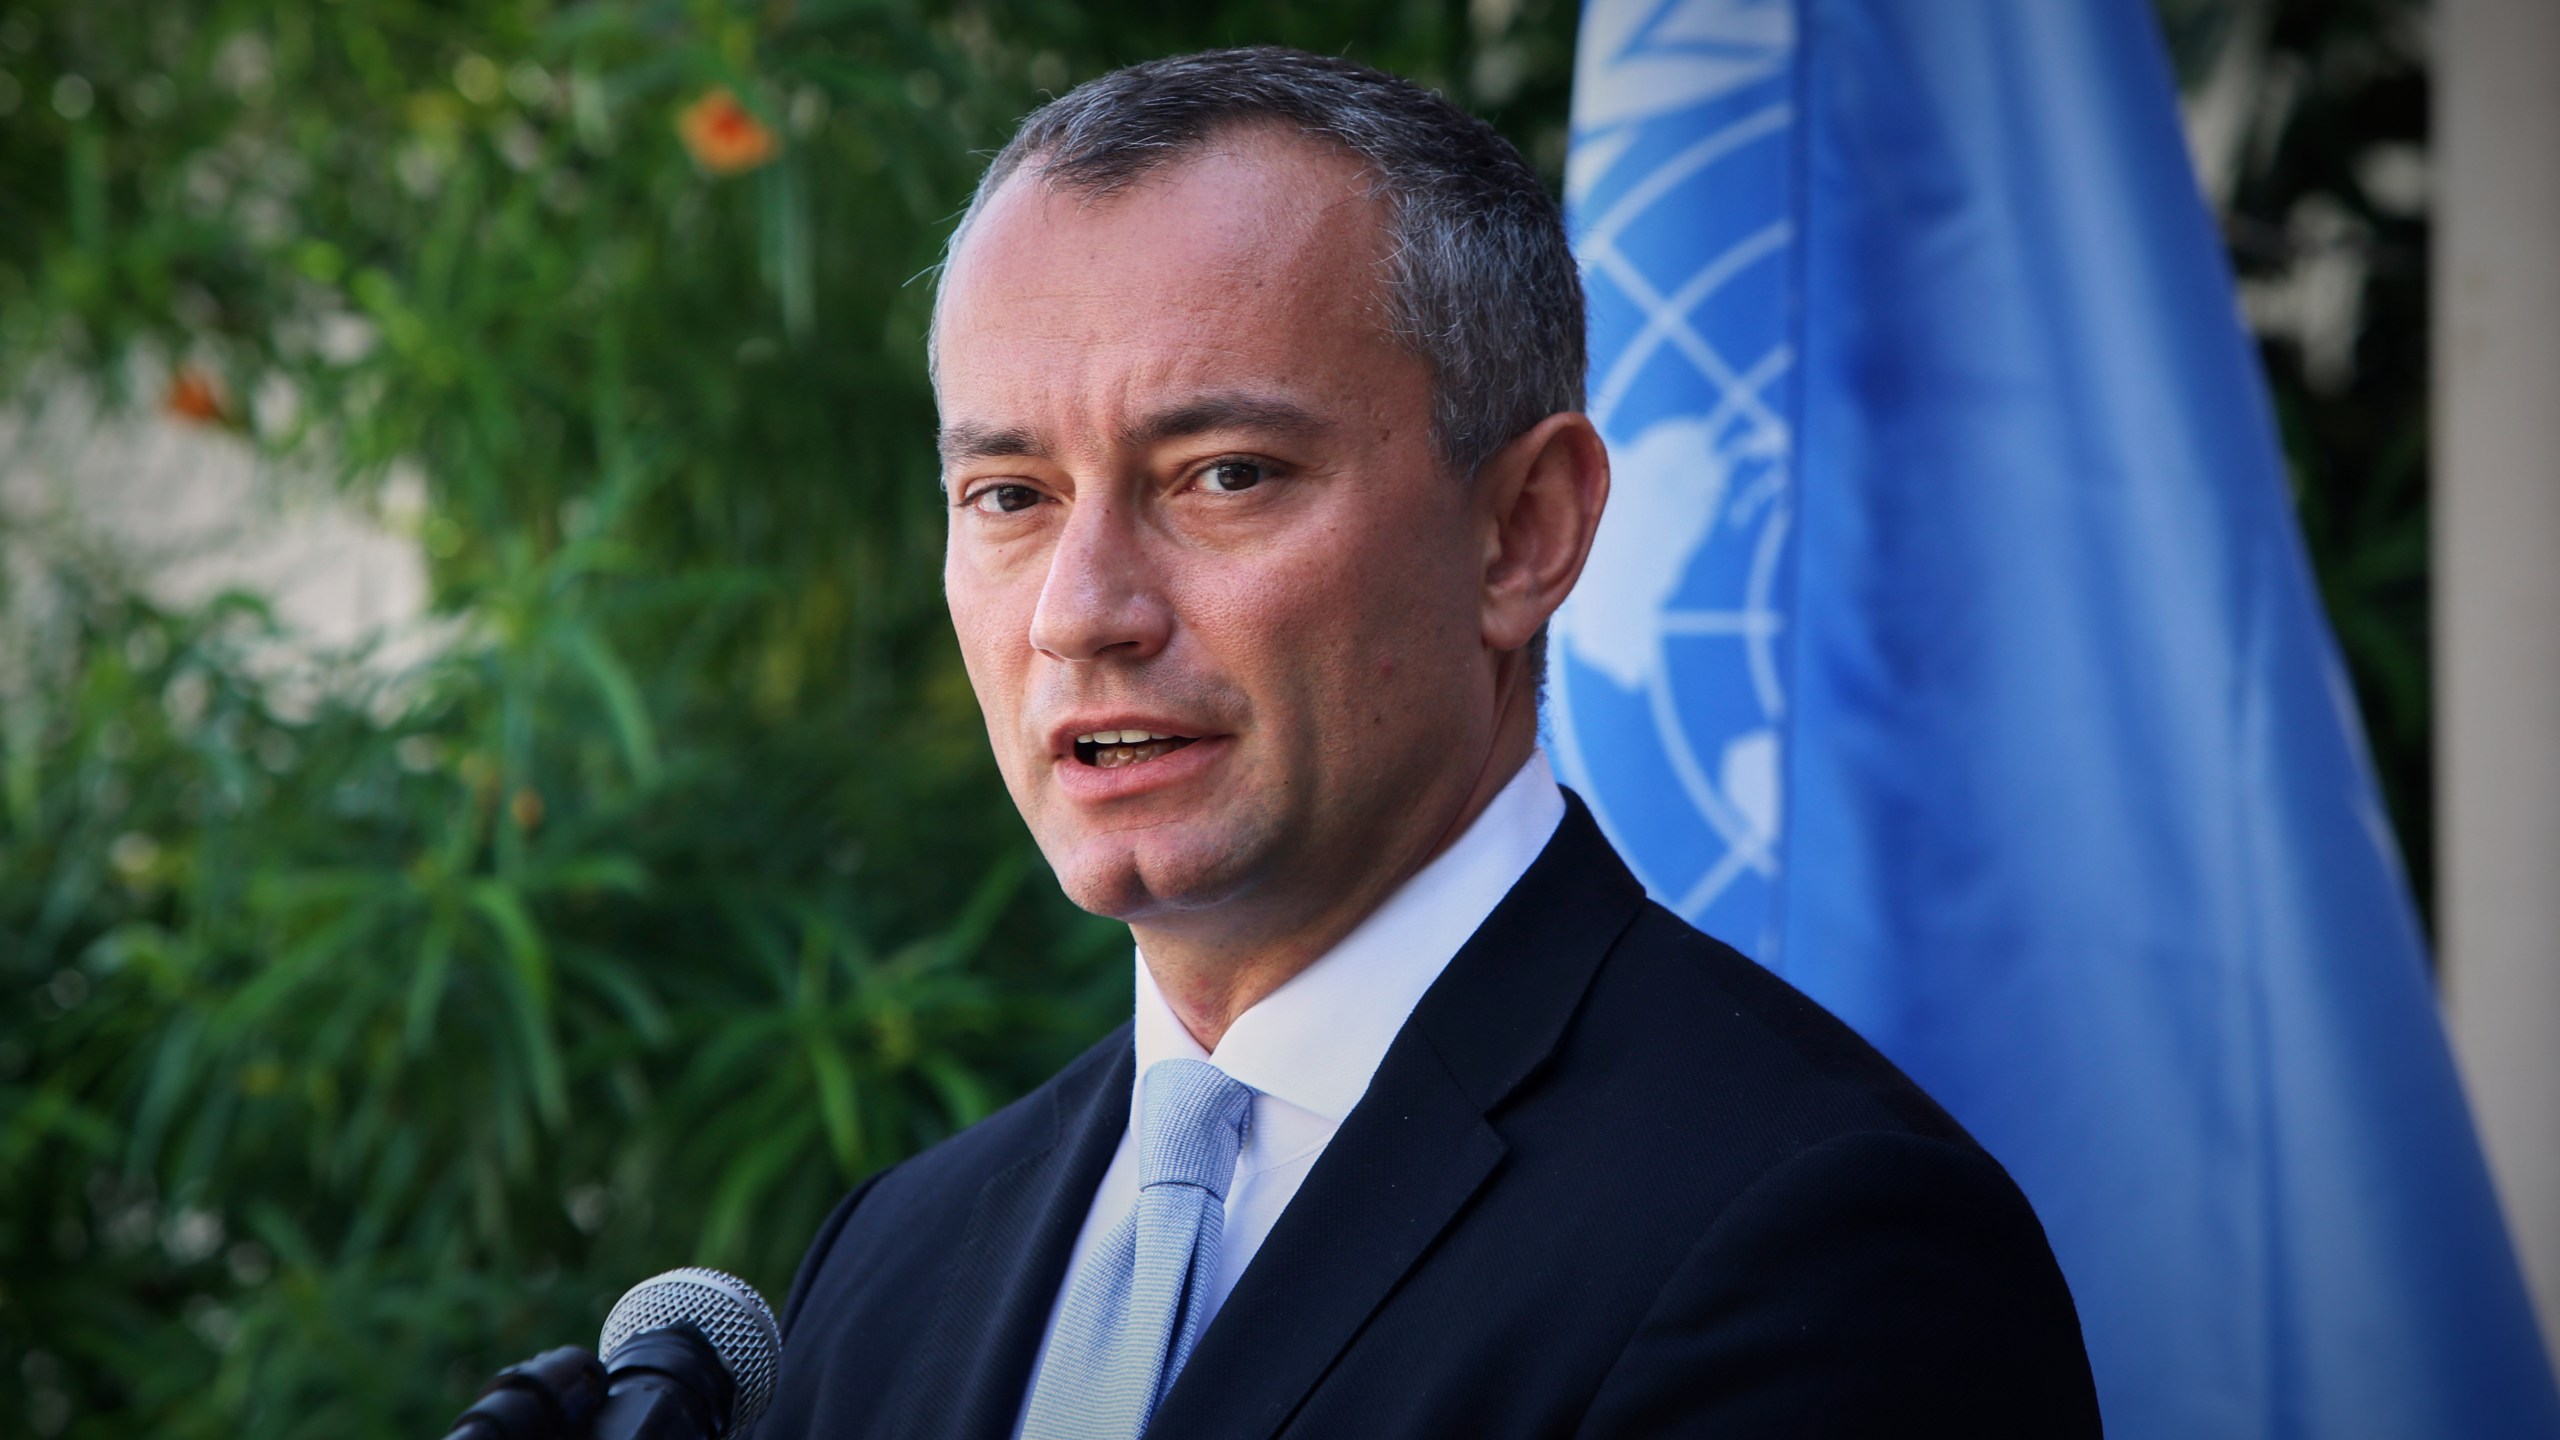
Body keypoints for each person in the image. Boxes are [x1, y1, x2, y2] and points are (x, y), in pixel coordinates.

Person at [756, 47, 2101, 1439]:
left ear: (1524, 531)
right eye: (1010, 494)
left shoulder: (1822, 1244)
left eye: (1225, 475)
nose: (1080, 612)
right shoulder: (888, 1269)